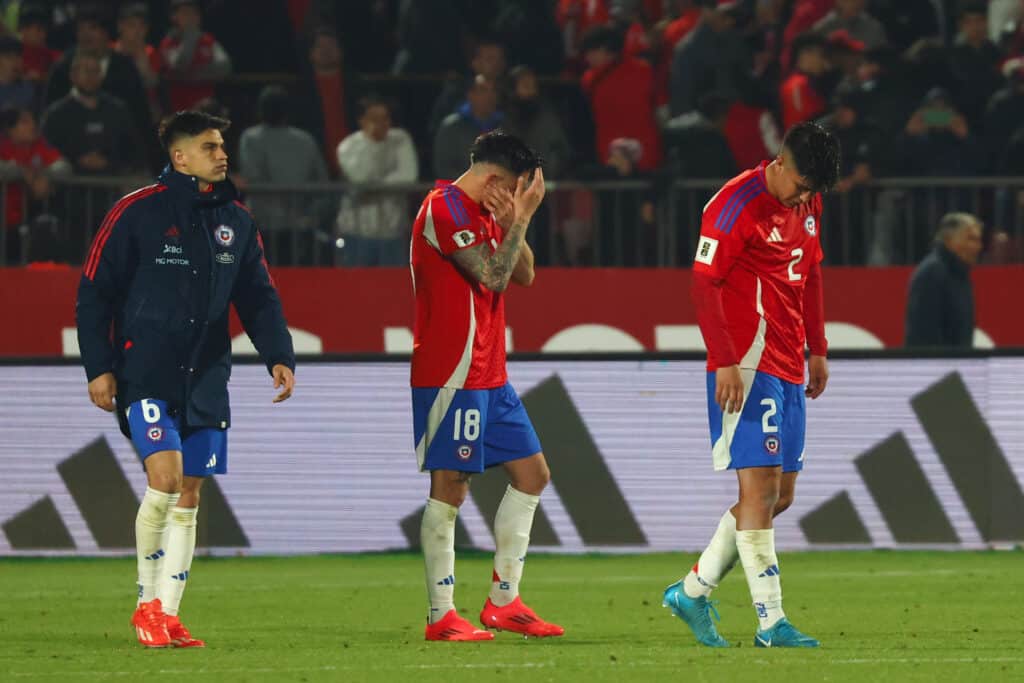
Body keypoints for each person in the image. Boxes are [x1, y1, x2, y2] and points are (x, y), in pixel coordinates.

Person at [75, 110, 296, 649]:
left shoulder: (237, 222)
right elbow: (93, 293)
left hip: (205, 378)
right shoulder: (136, 212)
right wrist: (99, 367)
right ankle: (146, 604)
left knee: (191, 489)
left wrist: (278, 355)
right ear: (180, 157)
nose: (223, 154)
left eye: (222, 145)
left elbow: (258, 295)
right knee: (167, 480)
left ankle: (169, 613)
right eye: (210, 146)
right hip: (145, 373)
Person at [663, 122, 839, 649]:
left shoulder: (807, 204)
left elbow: (811, 275)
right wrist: (723, 360)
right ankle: (771, 622)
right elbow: (703, 282)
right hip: (748, 362)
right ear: (779, 162)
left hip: (788, 362)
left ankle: (692, 592)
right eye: (800, 184)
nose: (804, 197)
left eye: (813, 191)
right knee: (758, 490)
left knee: (780, 494)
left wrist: (819, 346)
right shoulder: (734, 204)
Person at [410, 131, 563, 641]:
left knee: (532, 474)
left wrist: (512, 221)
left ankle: (504, 602)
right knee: (450, 487)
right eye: (522, 189)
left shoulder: (486, 213)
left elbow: (526, 274)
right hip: (451, 372)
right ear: (499, 180)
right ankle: (441, 616)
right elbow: (494, 277)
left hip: (491, 373)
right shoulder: (445, 208)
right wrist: (517, 219)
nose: (524, 200)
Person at [238, 85, 329, 265]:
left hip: (268, 224)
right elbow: (322, 183)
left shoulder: (251, 138)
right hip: (298, 224)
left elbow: (252, 176)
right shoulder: (305, 139)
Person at [336, 95, 418, 266]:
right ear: (362, 121)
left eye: (385, 118)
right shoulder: (347, 147)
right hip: (357, 233)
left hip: (392, 233)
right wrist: (371, 142)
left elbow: (409, 176)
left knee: (392, 289)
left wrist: (376, 186)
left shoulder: (401, 139)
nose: (381, 123)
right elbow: (361, 179)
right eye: (374, 119)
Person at [40, 52, 142, 176]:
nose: (91, 76)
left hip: (112, 185)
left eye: (96, 71)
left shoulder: (118, 110)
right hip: (69, 188)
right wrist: (76, 160)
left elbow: (132, 149)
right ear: (73, 75)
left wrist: (109, 162)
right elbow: (46, 150)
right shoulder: (56, 113)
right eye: (86, 71)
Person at [905, 213, 981, 348]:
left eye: (978, 240)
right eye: (970, 239)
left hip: (956, 365)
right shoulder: (932, 273)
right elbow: (924, 333)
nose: (977, 246)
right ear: (949, 240)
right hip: (937, 366)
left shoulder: (960, 273)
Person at [159, 0, 232, 112]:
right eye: (185, 13)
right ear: (174, 17)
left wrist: (191, 75)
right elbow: (179, 67)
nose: (191, 17)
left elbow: (225, 67)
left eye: (194, 13)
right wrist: (190, 36)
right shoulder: (169, 42)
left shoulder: (207, 40)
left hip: (207, 110)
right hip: (179, 111)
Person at [433, 75, 504, 180]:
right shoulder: (451, 127)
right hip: (460, 191)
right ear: (470, 95)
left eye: (494, 91)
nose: (490, 95)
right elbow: (444, 168)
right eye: (483, 90)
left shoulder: (505, 125)